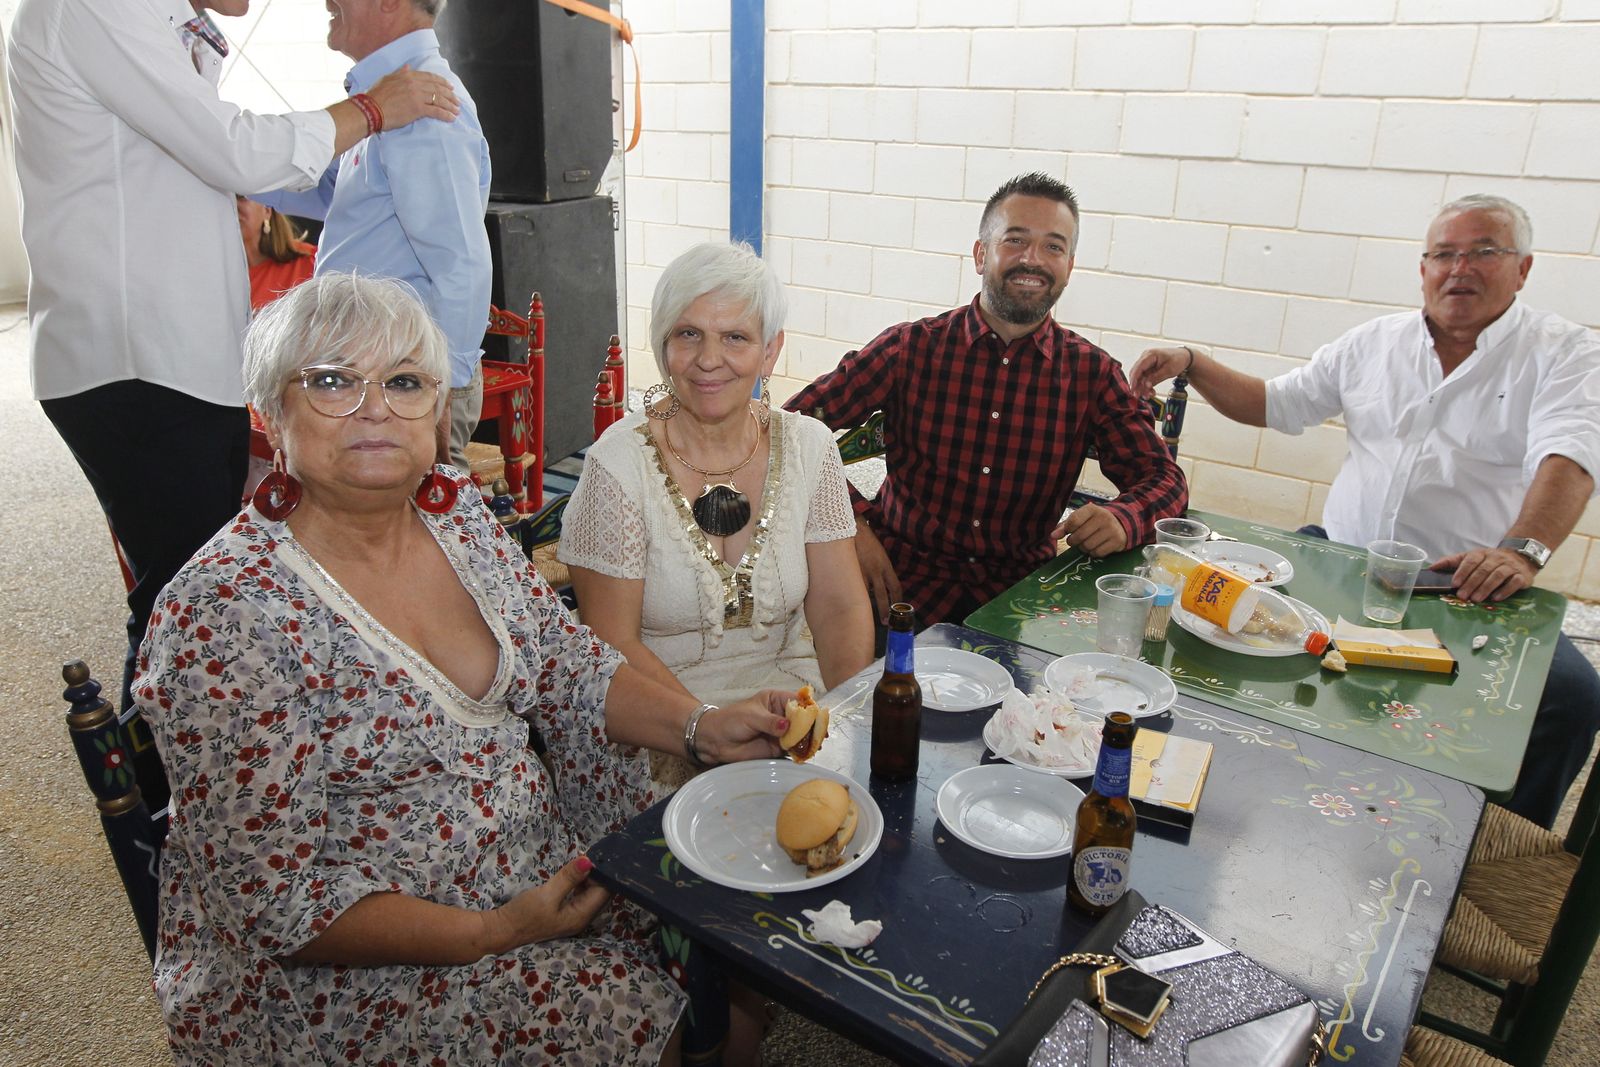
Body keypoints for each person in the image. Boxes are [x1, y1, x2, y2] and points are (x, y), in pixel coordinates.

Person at [134, 273, 795, 1065]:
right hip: (355, 973)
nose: (375, 407)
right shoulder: (223, 613)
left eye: (406, 381)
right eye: (334, 381)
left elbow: (567, 663)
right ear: (269, 413)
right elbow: (279, 905)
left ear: (441, 409)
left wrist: (703, 728)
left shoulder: (449, 506)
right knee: (642, 1013)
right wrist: (497, 931)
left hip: (532, 869)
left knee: (731, 890)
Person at [6, 0, 457, 810]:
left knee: (196, 589)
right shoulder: (96, 5)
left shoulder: (158, 20)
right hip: (135, 358)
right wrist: (369, 109)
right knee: (187, 602)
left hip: (179, 356)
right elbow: (238, 151)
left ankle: (200, 800)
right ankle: (175, 823)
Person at [1129, 193, 1600, 829]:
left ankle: (1490, 842)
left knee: (1573, 699)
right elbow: (1275, 404)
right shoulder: (1375, 344)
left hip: (1467, 585)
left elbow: (1569, 456)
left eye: (1484, 252)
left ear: (1524, 268)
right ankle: (1253, 803)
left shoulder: (1563, 353)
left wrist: (1522, 550)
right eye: (1443, 255)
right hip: (1343, 559)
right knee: (1215, 632)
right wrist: (1193, 362)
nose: (1460, 268)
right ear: (1424, 268)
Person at [784, 172, 1188, 627]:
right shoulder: (910, 349)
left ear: (1069, 268)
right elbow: (787, 431)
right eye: (1015, 241)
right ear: (981, 254)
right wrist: (853, 524)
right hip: (899, 583)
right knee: (864, 695)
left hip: (1023, 600)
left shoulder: (1092, 375)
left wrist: (1123, 517)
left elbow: (1165, 480)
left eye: (1053, 246)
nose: (1032, 260)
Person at [560, 243, 876, 788]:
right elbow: (612, 644)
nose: (710, 359)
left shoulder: (809, 446)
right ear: (663, 346)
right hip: (661, 727)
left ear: (770, 351)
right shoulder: (618, 463)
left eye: (736, 337)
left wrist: (846, 723)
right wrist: (710, 733)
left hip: (793, 705)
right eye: (689, 334)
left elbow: (840, 605)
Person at [256, 0, 492, 471]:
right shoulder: (394, 95)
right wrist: (234, 164)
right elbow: (338, 198)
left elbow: (459, 260)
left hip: (404, 371)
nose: (325, 3)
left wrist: (442, 388)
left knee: (420, 527)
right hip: (381, 364)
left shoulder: (425, 103)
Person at [237, 195, 316, 311]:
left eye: (240, 197)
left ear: (267, 210)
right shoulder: (212, 276)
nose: (232, 206)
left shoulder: (312, 262)